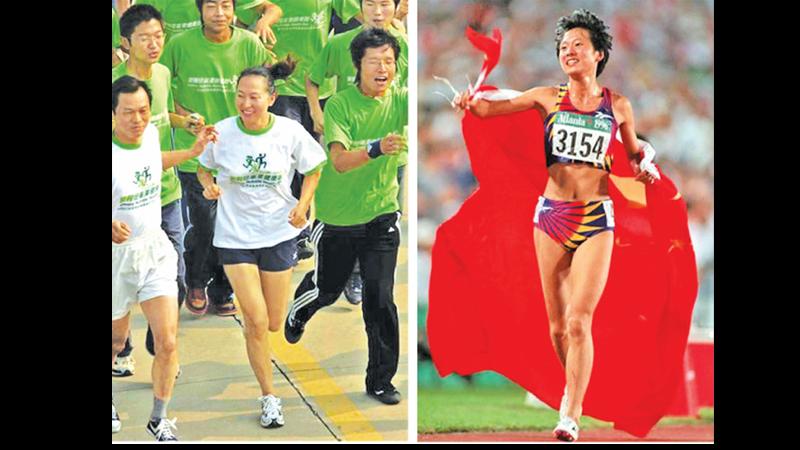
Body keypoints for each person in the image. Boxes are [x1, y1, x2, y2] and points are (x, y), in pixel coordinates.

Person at [455, 9, 660, 442]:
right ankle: (573, 385)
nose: (568, 52)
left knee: (580, 321)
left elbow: (635, 150)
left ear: (598, 54)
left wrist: (648, 165)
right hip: (550, 217)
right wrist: (470, 102)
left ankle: (571, 412)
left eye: (577, 46)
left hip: (595, 218)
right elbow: (493, 109)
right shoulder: (547, 97)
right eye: (563, 48)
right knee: (557, 327)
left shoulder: (617, 105)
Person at [196, 61, 327, 428]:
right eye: (240, 96)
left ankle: (297, 301)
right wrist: (208, 184)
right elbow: (202, 166)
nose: (246, 103)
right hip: (235, 236)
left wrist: (303, 204)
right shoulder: (221, 133)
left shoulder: (289, 131)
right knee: (253, 320)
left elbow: (314, 167)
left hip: (278, 233)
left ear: (272, 98)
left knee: (271, 321)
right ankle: (270, 396)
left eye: (254, 96)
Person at [285, 28, 407, 406]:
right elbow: (338, 161)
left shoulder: (401, 99)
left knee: (380, 298)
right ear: (358, 65)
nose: (383, 68)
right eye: (375, 61)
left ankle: (380, 380)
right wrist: (376, 148)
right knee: (327, 289)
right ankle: (300, 311)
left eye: (389, 61)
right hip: (338, 219)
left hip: (382, 216)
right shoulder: (339, 105)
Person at [112, 75, 217, 441]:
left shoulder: (151, 137)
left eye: (143, 110)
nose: (138, 119)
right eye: (128, 113)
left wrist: (190, 152)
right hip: (116, 260)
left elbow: (154, 162)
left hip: (154, 250)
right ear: (113, 115)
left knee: (168, 342)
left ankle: (159, 418)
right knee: (115, 341)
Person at [160, 0, 273, 316]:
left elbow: (265, 90)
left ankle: (223, 288)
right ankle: (196, 279)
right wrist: (185, 118)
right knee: (206, 222)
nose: (219, 13)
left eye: (226, 5)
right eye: (212, 6)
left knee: (233, 224)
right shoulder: (179, 46)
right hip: (195, 155)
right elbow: (164, 96)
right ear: (199, 10)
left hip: (239, 155)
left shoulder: (250, 45)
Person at [112, 3, 199, 377]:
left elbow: (161, 117)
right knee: (125, 282)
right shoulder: (116, 86)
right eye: (145, 38)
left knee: (173, 273)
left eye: (159, 36)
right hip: (125, 204)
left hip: (166, 193)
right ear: (125, 42)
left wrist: (186, 121)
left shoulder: (162, 74)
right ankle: (122, 346)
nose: (154, 44)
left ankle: (162, 345)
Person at [306, 0, 407, 305]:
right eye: (371, 4)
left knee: (380, 218)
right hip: (349, 144)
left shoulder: (402, 46)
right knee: (349, 220)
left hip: (391, 152)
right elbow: (313, 79)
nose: (378, 11)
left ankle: (362, 275)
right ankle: (344, 273)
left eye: (385, 4)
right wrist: (315, 111)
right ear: (359, 7)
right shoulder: (339, 44)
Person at [267, 0, 361, 261]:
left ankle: (310, 220)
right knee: (290, 157)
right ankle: (297, 230)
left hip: (321, 86)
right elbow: (242, 20)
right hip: (281, 84)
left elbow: (360, 14)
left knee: (310, 161)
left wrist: (393, 17)